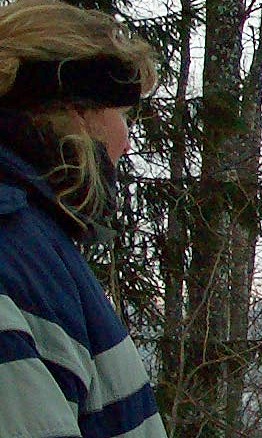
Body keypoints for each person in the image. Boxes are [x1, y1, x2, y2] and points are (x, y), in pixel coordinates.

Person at [0, 0, 167, 436]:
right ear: (78, 113)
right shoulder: (15, 254)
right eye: (122, 115)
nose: (127, 143)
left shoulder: (37, 245)